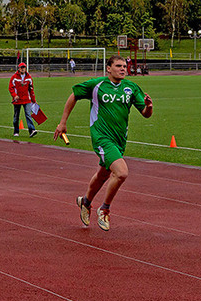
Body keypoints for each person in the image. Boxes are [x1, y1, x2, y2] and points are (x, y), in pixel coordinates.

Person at [53, 55, 153, 231]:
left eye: (125, 66)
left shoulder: (131, 88)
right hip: (101, 137)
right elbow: (74, 95)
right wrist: (63, 122)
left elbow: (145, 113)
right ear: (108, 68)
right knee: (121, 173)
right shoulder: (97, 85)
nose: (123, 69)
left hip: (119, 139)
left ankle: (85, 202)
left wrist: (149, 107)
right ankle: (104, 209)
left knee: (104, 174)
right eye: (118, 66)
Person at [9, 62, 37, 137]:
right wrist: (14, 96)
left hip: (26, 99)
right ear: (19, 68)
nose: (22, 69)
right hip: (17, 100)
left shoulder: (29, 77)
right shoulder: (14, 77)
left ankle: (32, 130)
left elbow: (31, 89)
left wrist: (33, 100)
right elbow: (11, 88)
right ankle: (16, 131)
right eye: (21, 67)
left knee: (28, 115)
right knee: (16, 117)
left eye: (24, 67)